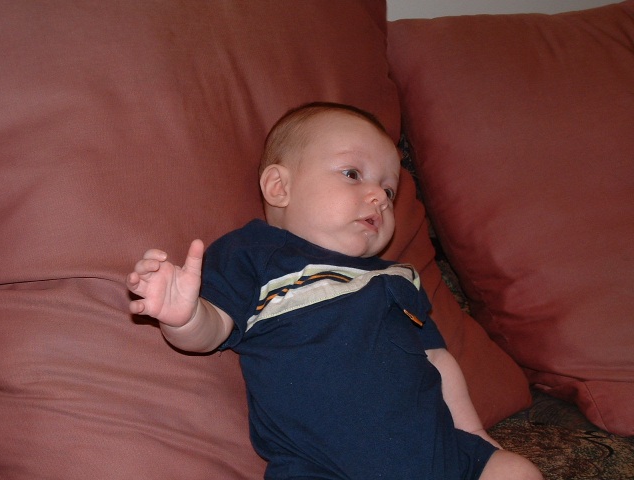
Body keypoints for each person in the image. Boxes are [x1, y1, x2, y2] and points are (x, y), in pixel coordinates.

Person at [126, 102, 542, 480]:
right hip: (322, 466)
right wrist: (185, 316)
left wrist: (472, 433)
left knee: (515, 470)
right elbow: (213, 329)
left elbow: (436, 357)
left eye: (389, 190)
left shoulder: (396, 277)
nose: (379, 197)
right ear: (279, 187)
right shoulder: (254, 254)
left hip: (440, 456)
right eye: (352, 174)